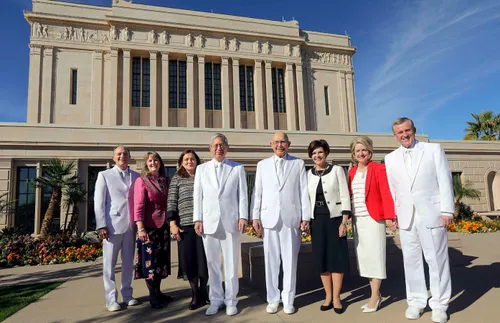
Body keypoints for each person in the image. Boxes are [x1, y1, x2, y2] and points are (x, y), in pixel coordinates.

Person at [385, 117, 454, 323]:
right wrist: (393, 215)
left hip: (432, 214)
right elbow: (393, 190)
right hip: (406, 217)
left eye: (407, 130)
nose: (404, 135)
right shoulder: (390, 158)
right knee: (411, 261)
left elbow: (444, 180)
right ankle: (416, 301)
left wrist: (447, 211)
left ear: (413, 130)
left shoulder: (433, 150)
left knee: (437, 261)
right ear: (395, 136)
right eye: (400, 132)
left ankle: (440, 304)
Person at [251, 131, 310, 315]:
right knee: (271, 261)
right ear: (271, 144)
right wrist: (255, 216)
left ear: (288, 144)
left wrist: (305, 217)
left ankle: (288, 299)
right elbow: (257, 192)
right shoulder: (262, 165)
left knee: (290, 262)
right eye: (276, 142)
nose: (279, 145)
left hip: (291, 218)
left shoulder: (298, 163)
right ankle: (273, 299)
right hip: (269, 219)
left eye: (283, 142)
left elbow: (303, 192)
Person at [193, 133, 248, 316]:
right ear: (210, 148)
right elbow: (198, 196)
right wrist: (197, 219)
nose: (219, 148)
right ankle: (216, 299)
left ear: (227, 147)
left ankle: (231, 300)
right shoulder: (201, 169)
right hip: (209, 222)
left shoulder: (237, 168)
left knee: (231, 264)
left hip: (230, 221)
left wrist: (243, 217)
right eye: (216, 145)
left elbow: (242, 195)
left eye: (222, 145)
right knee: (212, 264)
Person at [348, 136, 396, 313]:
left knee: (376, 258)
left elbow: (386, 192)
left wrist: (390, 216)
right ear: (353, 154)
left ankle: (375, 297)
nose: (361, 153)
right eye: (357, 150)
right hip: (357, 220)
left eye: (364, 150)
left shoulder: (378, 168)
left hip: (374, 219)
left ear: (370, 151)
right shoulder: (351, 172)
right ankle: (374, 294)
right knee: (365, 259)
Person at [306, 139, 350, 314]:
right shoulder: (308, 174)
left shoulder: (337, 170)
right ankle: (328, 296)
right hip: (316, 221)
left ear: (326, 154)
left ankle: (338, 297)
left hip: (335, 219)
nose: (317, 156)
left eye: (320, 153)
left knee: (336, 259)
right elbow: (305, 199)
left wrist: (344, 221)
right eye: (314, 153)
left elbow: (345, 195)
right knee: (322, 259)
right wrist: (305, 220)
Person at [94, 146, 140, 312]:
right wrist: (101, 225)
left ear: (129, 157)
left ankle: (127, 295)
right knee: (109, 264)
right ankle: (111, 298)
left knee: (128, 263)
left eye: (125, 154)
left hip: (131, 226)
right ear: (114, 157)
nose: (122, 156)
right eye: (119, 154)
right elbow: (99, 202)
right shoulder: (104, 175)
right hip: (112, 226)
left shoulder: (137, 176)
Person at [167, 149, 209, 310]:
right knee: (190, 260)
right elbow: (171, 202)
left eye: (192, 159)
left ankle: (204, 292)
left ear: (197, 161)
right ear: (181, 162)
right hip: (185, 226)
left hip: (205, 225)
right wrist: (172, 224)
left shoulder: (204, 176)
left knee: (204, 260)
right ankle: (195, 295)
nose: (189, 161)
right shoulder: (177, 178)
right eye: (186, 159)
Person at [132, 151, 172, 309]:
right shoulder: (142, 181)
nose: (153, 163)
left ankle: (159, 291)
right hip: (149, 227)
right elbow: (139, 205)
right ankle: (153, 296)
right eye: (150, 161)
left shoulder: (165, 181)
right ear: (146, 164)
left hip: (164, 227)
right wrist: (140, 228)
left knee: (160, 262)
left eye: (156, 160)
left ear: (160, 163)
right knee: (150, 264)